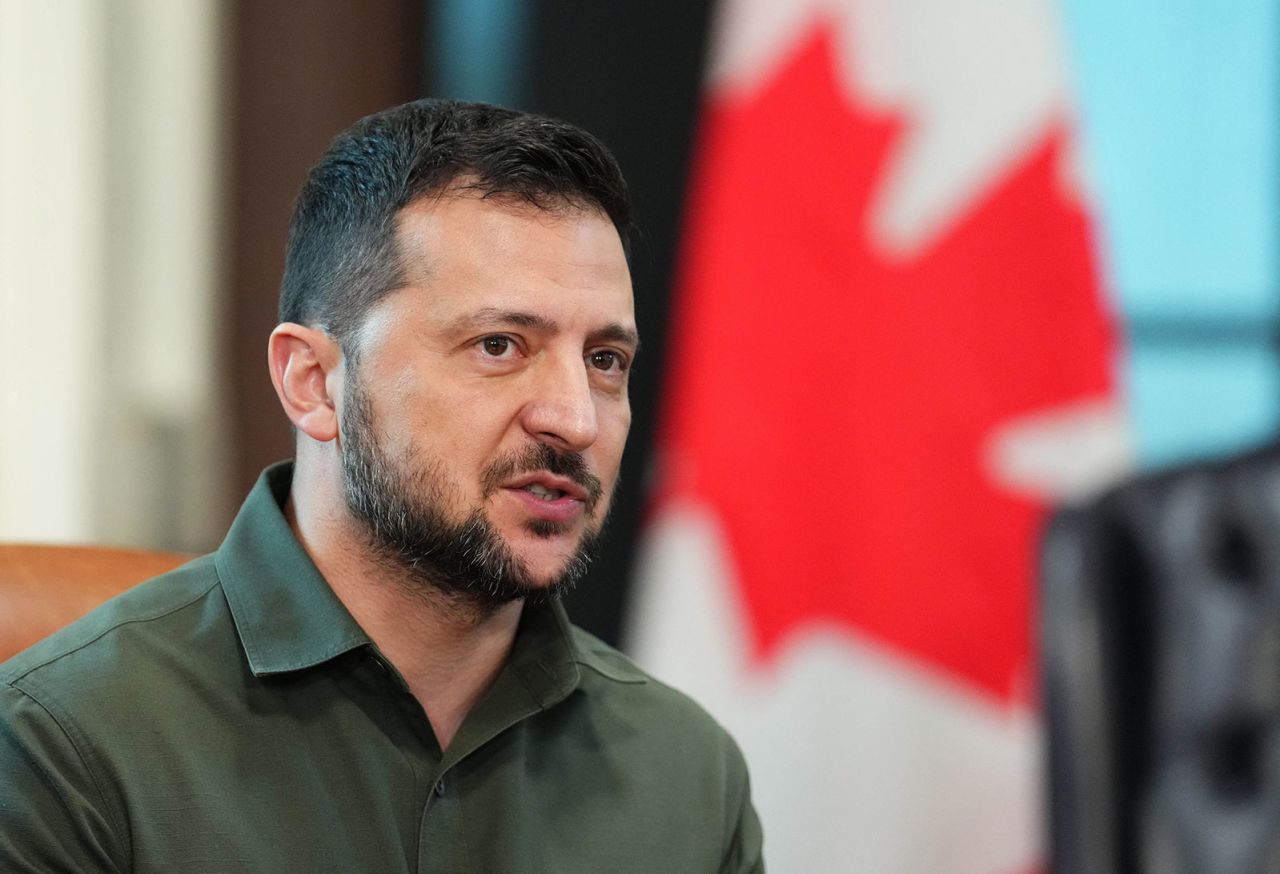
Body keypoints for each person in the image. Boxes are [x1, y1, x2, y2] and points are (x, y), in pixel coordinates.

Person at [0, 99, 763, 872]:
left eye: (605, 360)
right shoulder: (63, 745)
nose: (575, 420)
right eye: (499, 345)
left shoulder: (687, 773)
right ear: (314, 385)